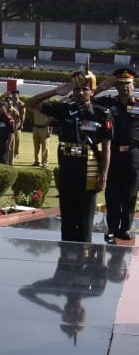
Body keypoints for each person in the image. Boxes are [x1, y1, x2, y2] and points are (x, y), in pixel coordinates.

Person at [26, 71, 112, 243]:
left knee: (85, 215)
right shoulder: (64, 109)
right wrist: (55, 92)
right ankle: (67, 255)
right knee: (68, 213)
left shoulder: (102, 113)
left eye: (85, 89)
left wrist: (103, 175)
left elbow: (107, 147)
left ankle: (84, 252)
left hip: (89, 168)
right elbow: (30, 103)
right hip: (67, 166)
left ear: (92, 91)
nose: (80, 93)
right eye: (77, 89)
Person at [95, 68, 139, 243]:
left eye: (127, 84)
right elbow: (85, 101)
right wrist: (101, 87)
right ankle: (112, 228)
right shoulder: (107, 103)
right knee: (112, 193)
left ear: (133, 85)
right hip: (112, 153)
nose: (124, 88)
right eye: (120, 84)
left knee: (130, 194)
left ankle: (125, 228)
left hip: (133, 154)